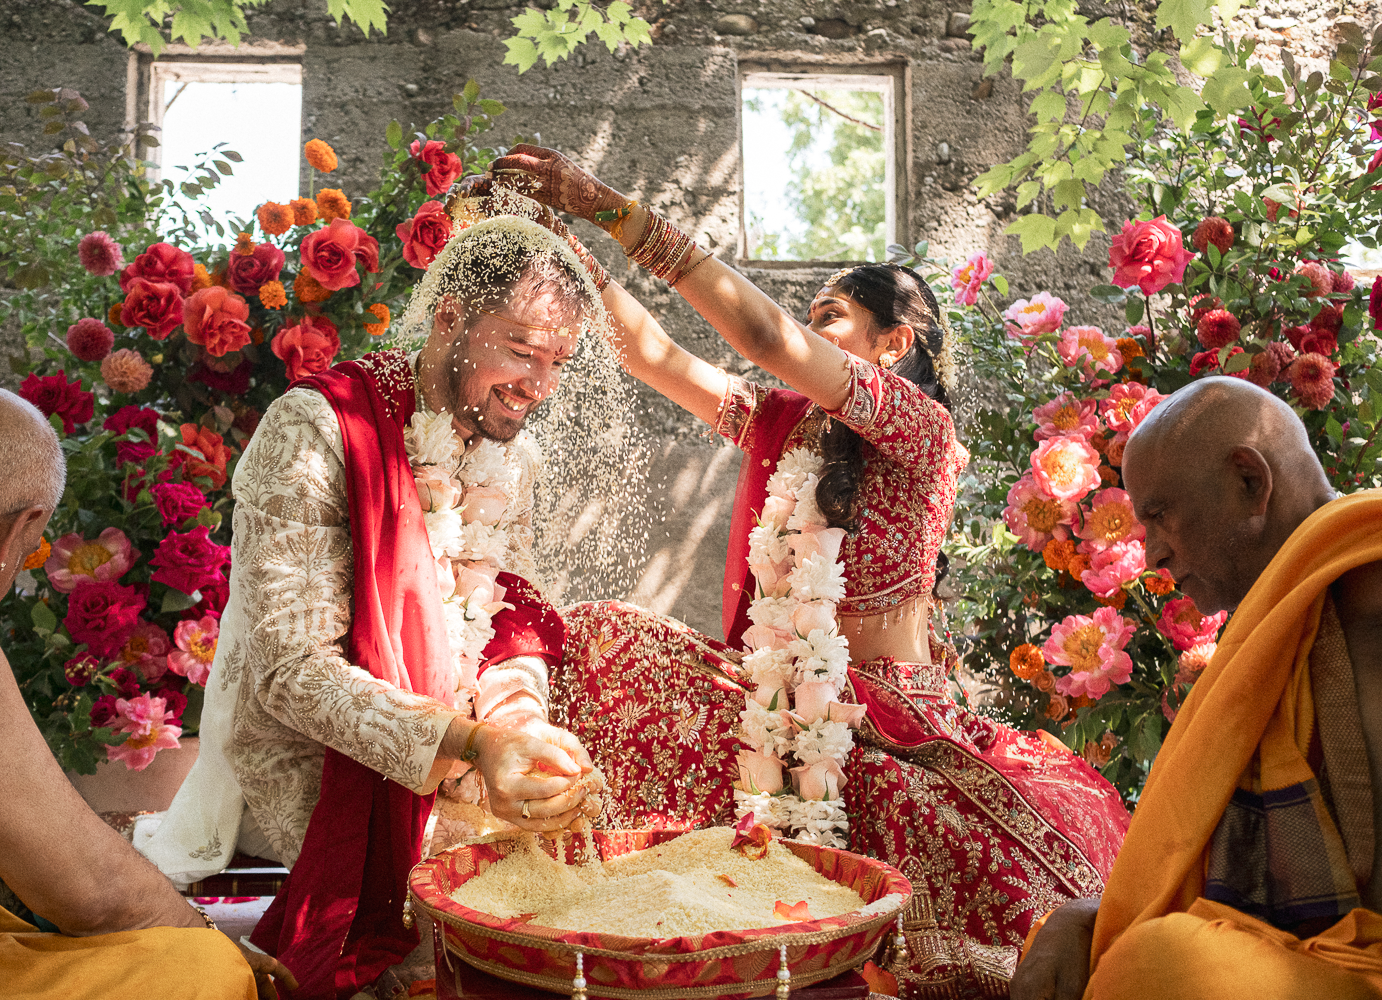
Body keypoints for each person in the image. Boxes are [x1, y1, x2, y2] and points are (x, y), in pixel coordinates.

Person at [483, 146, 1133, 997]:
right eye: (810, 319)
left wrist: (610, 207)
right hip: (779, 702)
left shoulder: (921, 431)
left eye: (830, 317)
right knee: (605, 636)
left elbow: (764, 337)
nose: (806, 335)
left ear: (893, 344)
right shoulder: (789, 428)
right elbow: (652, 355)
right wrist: (558, 248)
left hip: (889, 719)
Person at [142, 216, 609, 999]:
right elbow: (291, 674)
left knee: (565, 903)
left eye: (559, 361)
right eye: (523, 350)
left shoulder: (513, 454)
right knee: (472, 938)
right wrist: (473, 743)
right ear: (451, 316)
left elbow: (508, 621)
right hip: (312, 761)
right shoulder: (317, 427)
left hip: (461, 744)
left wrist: (520, 724)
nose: (541, 385)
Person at [0, 384, 268, 999]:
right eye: (29, 552)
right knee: (203, 970)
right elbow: (91, 893)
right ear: (11, 536)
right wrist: (207, 938)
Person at [1010, 376, 1382, 1000]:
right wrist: (1090, 919)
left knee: (1159, 966)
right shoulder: (1277, 631)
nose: (1153, 554)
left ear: (1250, 481)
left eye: (1160, 516)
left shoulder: (1369, 594)